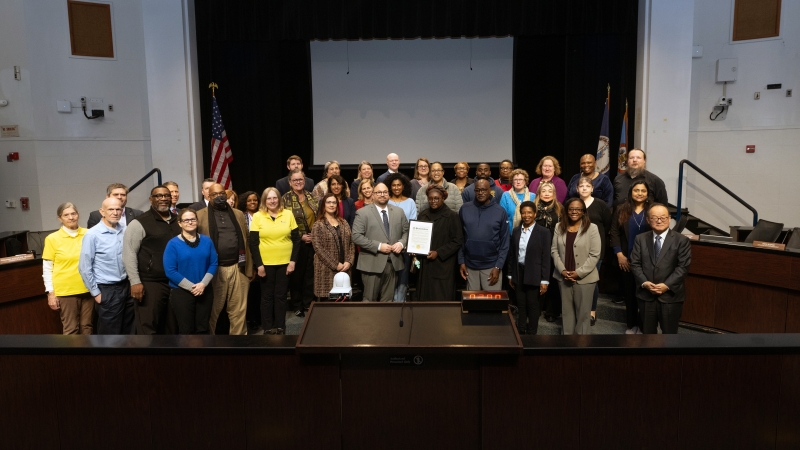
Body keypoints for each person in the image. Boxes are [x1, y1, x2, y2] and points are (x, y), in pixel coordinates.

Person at [122, 185, 181, 334]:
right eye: (158, 196)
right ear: (151, 199)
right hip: (150, 283)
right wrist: (135, 282)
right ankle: (148, 358)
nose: (163, 199)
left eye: (166, 196)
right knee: (148, 327)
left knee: (173, 328)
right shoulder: (139, 223)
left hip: (176, 282)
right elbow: (129, 254)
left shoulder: (178, 221)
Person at [196, 183, 253, 335]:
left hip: (238, 267)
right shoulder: (199, 215)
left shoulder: (238, 214)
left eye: (222, 193)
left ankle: (239, 345)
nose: (219, 197)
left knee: (239, 312)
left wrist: (249, 267)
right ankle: (209, 346)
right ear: (208, 196)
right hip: (213, 270)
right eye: (214, 194)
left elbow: (246, 240)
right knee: (212, 312)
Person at [631, 204, 692, 334]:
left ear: (669, 219)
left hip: (670, 296)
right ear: (648, 220)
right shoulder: (640, 239)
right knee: (647, 335)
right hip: (646, 295)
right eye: (655, 217)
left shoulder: (681, 240)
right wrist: (644, 282)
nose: (659, 221)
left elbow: (683, 267)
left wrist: (666, 285)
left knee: (669, 336)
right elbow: (635, 264)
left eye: (663, 218)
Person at [79, 197, 134, 334]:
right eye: (111, 209)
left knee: (129, 330)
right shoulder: (92, 234)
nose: (115, 212)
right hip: (107, 289)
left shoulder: (126, 230)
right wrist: (95, 292)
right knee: (110, 335)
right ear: (102, 212)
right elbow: (84, 267)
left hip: (126, 286)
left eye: (118, 209)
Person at [249, 188, 300, 335]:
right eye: (269, 198)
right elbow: (253, 243)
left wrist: (293, 261)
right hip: (265, 264)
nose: (272, 201)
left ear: (279, 199)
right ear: (264, 201)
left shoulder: (288, 214)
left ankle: (280, 327)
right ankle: (267, 328)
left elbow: (296, 240)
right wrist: (259, 265)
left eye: (275, 198)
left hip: (285, 263)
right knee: (267, 297)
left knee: (281, 296)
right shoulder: (258, 216)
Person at [351, 182, 409, 302]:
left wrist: (401, 243)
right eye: (379, 192)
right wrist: (378, 246)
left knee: (388, 302)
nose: (382, 195)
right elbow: (356, 236)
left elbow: (407, 232)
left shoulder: (399, 212)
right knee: (369, 301)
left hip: (393, 263)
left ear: (388, 194)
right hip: (372, 264)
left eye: (385, 192)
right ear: (373, 195)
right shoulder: (363, 213)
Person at [163, 208, 218, 334]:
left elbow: (213, 263)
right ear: (179, 223)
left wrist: (203, 284)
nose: (190, 222)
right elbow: (170, 271)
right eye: (186, 220)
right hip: (182, 293)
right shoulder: (173, 244)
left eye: (193, 219)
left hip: (204, 290)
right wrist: (192, 288)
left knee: (203, 328)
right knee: (186, 330)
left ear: (197, 221)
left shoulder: (207, 241)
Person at [551, 198, 601, 335]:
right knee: (566, 314)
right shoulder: (558, 226)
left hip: (585, 279)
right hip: (563, 277)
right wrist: (562, 270)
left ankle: (581, 348)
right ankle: (566, 345)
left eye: (578, 209)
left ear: (583, 212)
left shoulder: (592, 228)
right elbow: (554, 251)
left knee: (583, 316)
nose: (574, 212)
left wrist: (578, 273)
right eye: (571, 209)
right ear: (566, 211)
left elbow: (595, 254)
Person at [42, 202, 93, 334]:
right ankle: (71, 356)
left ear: (78, 215)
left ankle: (87, 355)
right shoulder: (52, 239)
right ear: (60, 218)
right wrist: (51, 293)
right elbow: (47, 269)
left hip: (88, 288)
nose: (71, 217)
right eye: (66, 215)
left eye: (73, 214)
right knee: (71, 329)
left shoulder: (89, 234)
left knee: (87, 326)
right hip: (66, 291)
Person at [610, 180, 653, 334]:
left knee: (644, 295)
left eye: (643, 190)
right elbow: (614, 232)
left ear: (647, 193)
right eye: (636, 190)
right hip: (626, 259)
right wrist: (619, 254)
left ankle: (643, 327)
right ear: (631, 192)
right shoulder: (622, 209)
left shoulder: (652, 210)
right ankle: (631, 325)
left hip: (648, 260)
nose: (639, 193)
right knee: (629, 294)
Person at [507, 201, 551, 335]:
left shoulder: (544, 232)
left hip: (534, 274)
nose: (526, 215)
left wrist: (544, 280)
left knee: (532, 306)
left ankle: (532, 335)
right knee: (521, 305)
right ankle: (520, 333)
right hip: (519, 273)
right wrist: (510, 274)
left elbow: (546, 257)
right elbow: (512, 255)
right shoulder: (515, 231)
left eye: (529, 212)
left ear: (535, 214)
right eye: (524, 212)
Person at [458, 178, 509, 291]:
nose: (480, 193)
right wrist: (461, 261)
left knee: (492, 306)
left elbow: (505, 242)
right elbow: (460, 237)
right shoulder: (465, 209)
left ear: (490, 191)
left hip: (492, 266)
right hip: (470, 266)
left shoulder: (500, 211)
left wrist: (498, 266)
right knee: (472, 306)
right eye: (477, 190)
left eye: (484, 190)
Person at [281, 169, 318, 318]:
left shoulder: (312, 197)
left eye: (300, 180)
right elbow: (283, 223)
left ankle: (308, 303)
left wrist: (314, 236)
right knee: (297, 276)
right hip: (295, 242)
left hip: (313, 242)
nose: (298, 182)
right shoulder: (285, 199)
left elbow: (319, 217)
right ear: (290, 182)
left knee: (310, 275)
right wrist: (301, 237)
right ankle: (297, 305)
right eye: (295, 180)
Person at [416, 185, 463, 301]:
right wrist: (414, 249)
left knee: (441, 297)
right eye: (430, 198)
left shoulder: (452, 216)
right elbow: (417, 236)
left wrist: (438, 252)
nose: (433, 201)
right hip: (425, 263)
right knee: (424, 297)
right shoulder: (423, 214)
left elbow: (457, 240)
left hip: (444, 265)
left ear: (443, 198)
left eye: (436, 198)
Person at [576, 176, 612, 326]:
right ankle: (578, 310)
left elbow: (608, 225)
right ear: (577, 189)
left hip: (596, 250)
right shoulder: (573, 204)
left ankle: (591, 310)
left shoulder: (601, 205)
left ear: (592, 189)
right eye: (581, 186)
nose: (584, 188)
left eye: (587, 186)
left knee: (592, 281)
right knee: (577, 281)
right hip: (576, 249)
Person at [312, 192, 355, 301]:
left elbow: (351, 243)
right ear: (324, 205)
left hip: (345, 268)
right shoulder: (318, 224)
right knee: (327, 307)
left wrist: (349, 261)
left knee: (343, 306)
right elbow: (318, 248)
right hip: (326, 269)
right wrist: (335, 264)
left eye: (334, 202)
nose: (331, 205)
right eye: (328, 202)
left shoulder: (344, 222)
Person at [533, 181, 564, 323]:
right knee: (536, 279)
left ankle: (552, 311)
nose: (546, 194)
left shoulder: (559, 209)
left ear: (554, 194)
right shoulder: (533, 208)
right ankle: (536, 308)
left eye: (549, 191)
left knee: (552, 280)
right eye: (543, 191)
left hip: (554, 250)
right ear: (539, 193)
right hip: (536, 250)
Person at [385, 173, 417, 301]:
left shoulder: (410, 202)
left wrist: (406, 243)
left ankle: (400, 304)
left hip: (404, 247)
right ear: (390, 187)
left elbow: (413, 224)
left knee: (403, 280)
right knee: (388, 280)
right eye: (394, 185)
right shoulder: (385, 201)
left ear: (403, 186)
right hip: (388, 247)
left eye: (399, 185)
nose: (396, 188)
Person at [239, 190, 261, 330]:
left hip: (263, 255)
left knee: (259, 292)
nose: (252, 203)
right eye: (249, 201)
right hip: (248, 257)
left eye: (255, 200)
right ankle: (250, 321)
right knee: (249, 292)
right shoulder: (241, 216)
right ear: (244, 203)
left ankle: (259, 320)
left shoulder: (263, 215)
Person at [499, 168, 534, 233]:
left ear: (525, 181)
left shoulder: (532, 196)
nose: (518, 182)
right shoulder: (506, 195)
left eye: (520, 179)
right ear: (512, 181)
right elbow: (502, 216)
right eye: (515, 179)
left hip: (529, 233)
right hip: (510, 233)